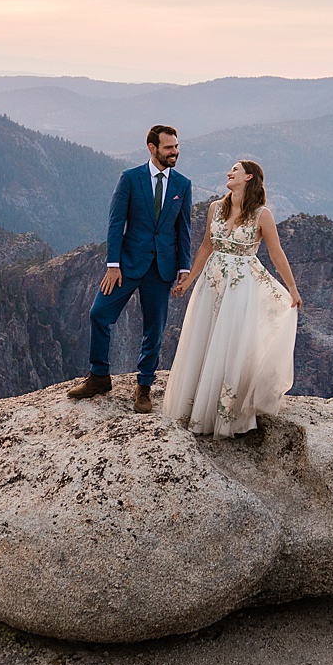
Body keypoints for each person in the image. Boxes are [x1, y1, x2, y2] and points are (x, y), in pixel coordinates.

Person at [163, 158, 303, 436]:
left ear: (248, 178)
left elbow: (276, 254)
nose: (229, 172)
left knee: (230, 346)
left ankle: (222, 415)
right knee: (204, 339)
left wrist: (293, 288)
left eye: (235, 170)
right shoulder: (216, 208)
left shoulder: (262, 215)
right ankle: (194, 409)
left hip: (240, 289)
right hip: (211, 284)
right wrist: (188, 280)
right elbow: (205, 247)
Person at [70, 125, 192, 413]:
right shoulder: (130, 179)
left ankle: (144, 387)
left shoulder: (182, 185)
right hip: (126, 266)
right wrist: (113, 265)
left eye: (176, 146)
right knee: (99, 314)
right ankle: (99, 376)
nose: (174, 152)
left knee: (154, 328)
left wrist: (184, 268)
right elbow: (115, 222)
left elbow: (183, 229)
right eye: (168, 148)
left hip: (162, 268)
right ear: (152, 148)